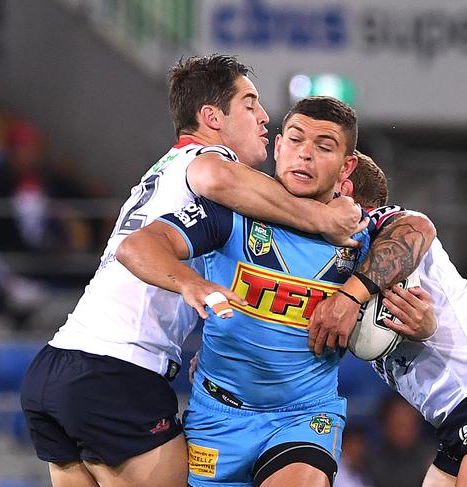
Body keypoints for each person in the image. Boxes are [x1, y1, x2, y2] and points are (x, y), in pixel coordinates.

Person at [20, 55, 364, 487]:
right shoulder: (205, 159)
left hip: (57, 365)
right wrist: (322, 219)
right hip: (118, 368)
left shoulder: (164, 169)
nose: (264, 118)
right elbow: (215, 179)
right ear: (211, 117)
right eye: (250, 104)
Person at [117, 96, 436, 487]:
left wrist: (402, 318)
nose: (305, 155)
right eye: (297, 141)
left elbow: (419, 228)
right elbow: (136, 247)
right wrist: (193, 283)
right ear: (279, 145)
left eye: (324, 147)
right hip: (218, 417)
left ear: (346, 166)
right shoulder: (229, 214)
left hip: (303, 416)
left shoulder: (364, 234)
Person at [309, 152, 467, 487]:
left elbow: (416, 226)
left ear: (344, 188)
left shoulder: (385, 229)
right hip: (456, 419)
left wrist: (350, 299)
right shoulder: (339, 260)